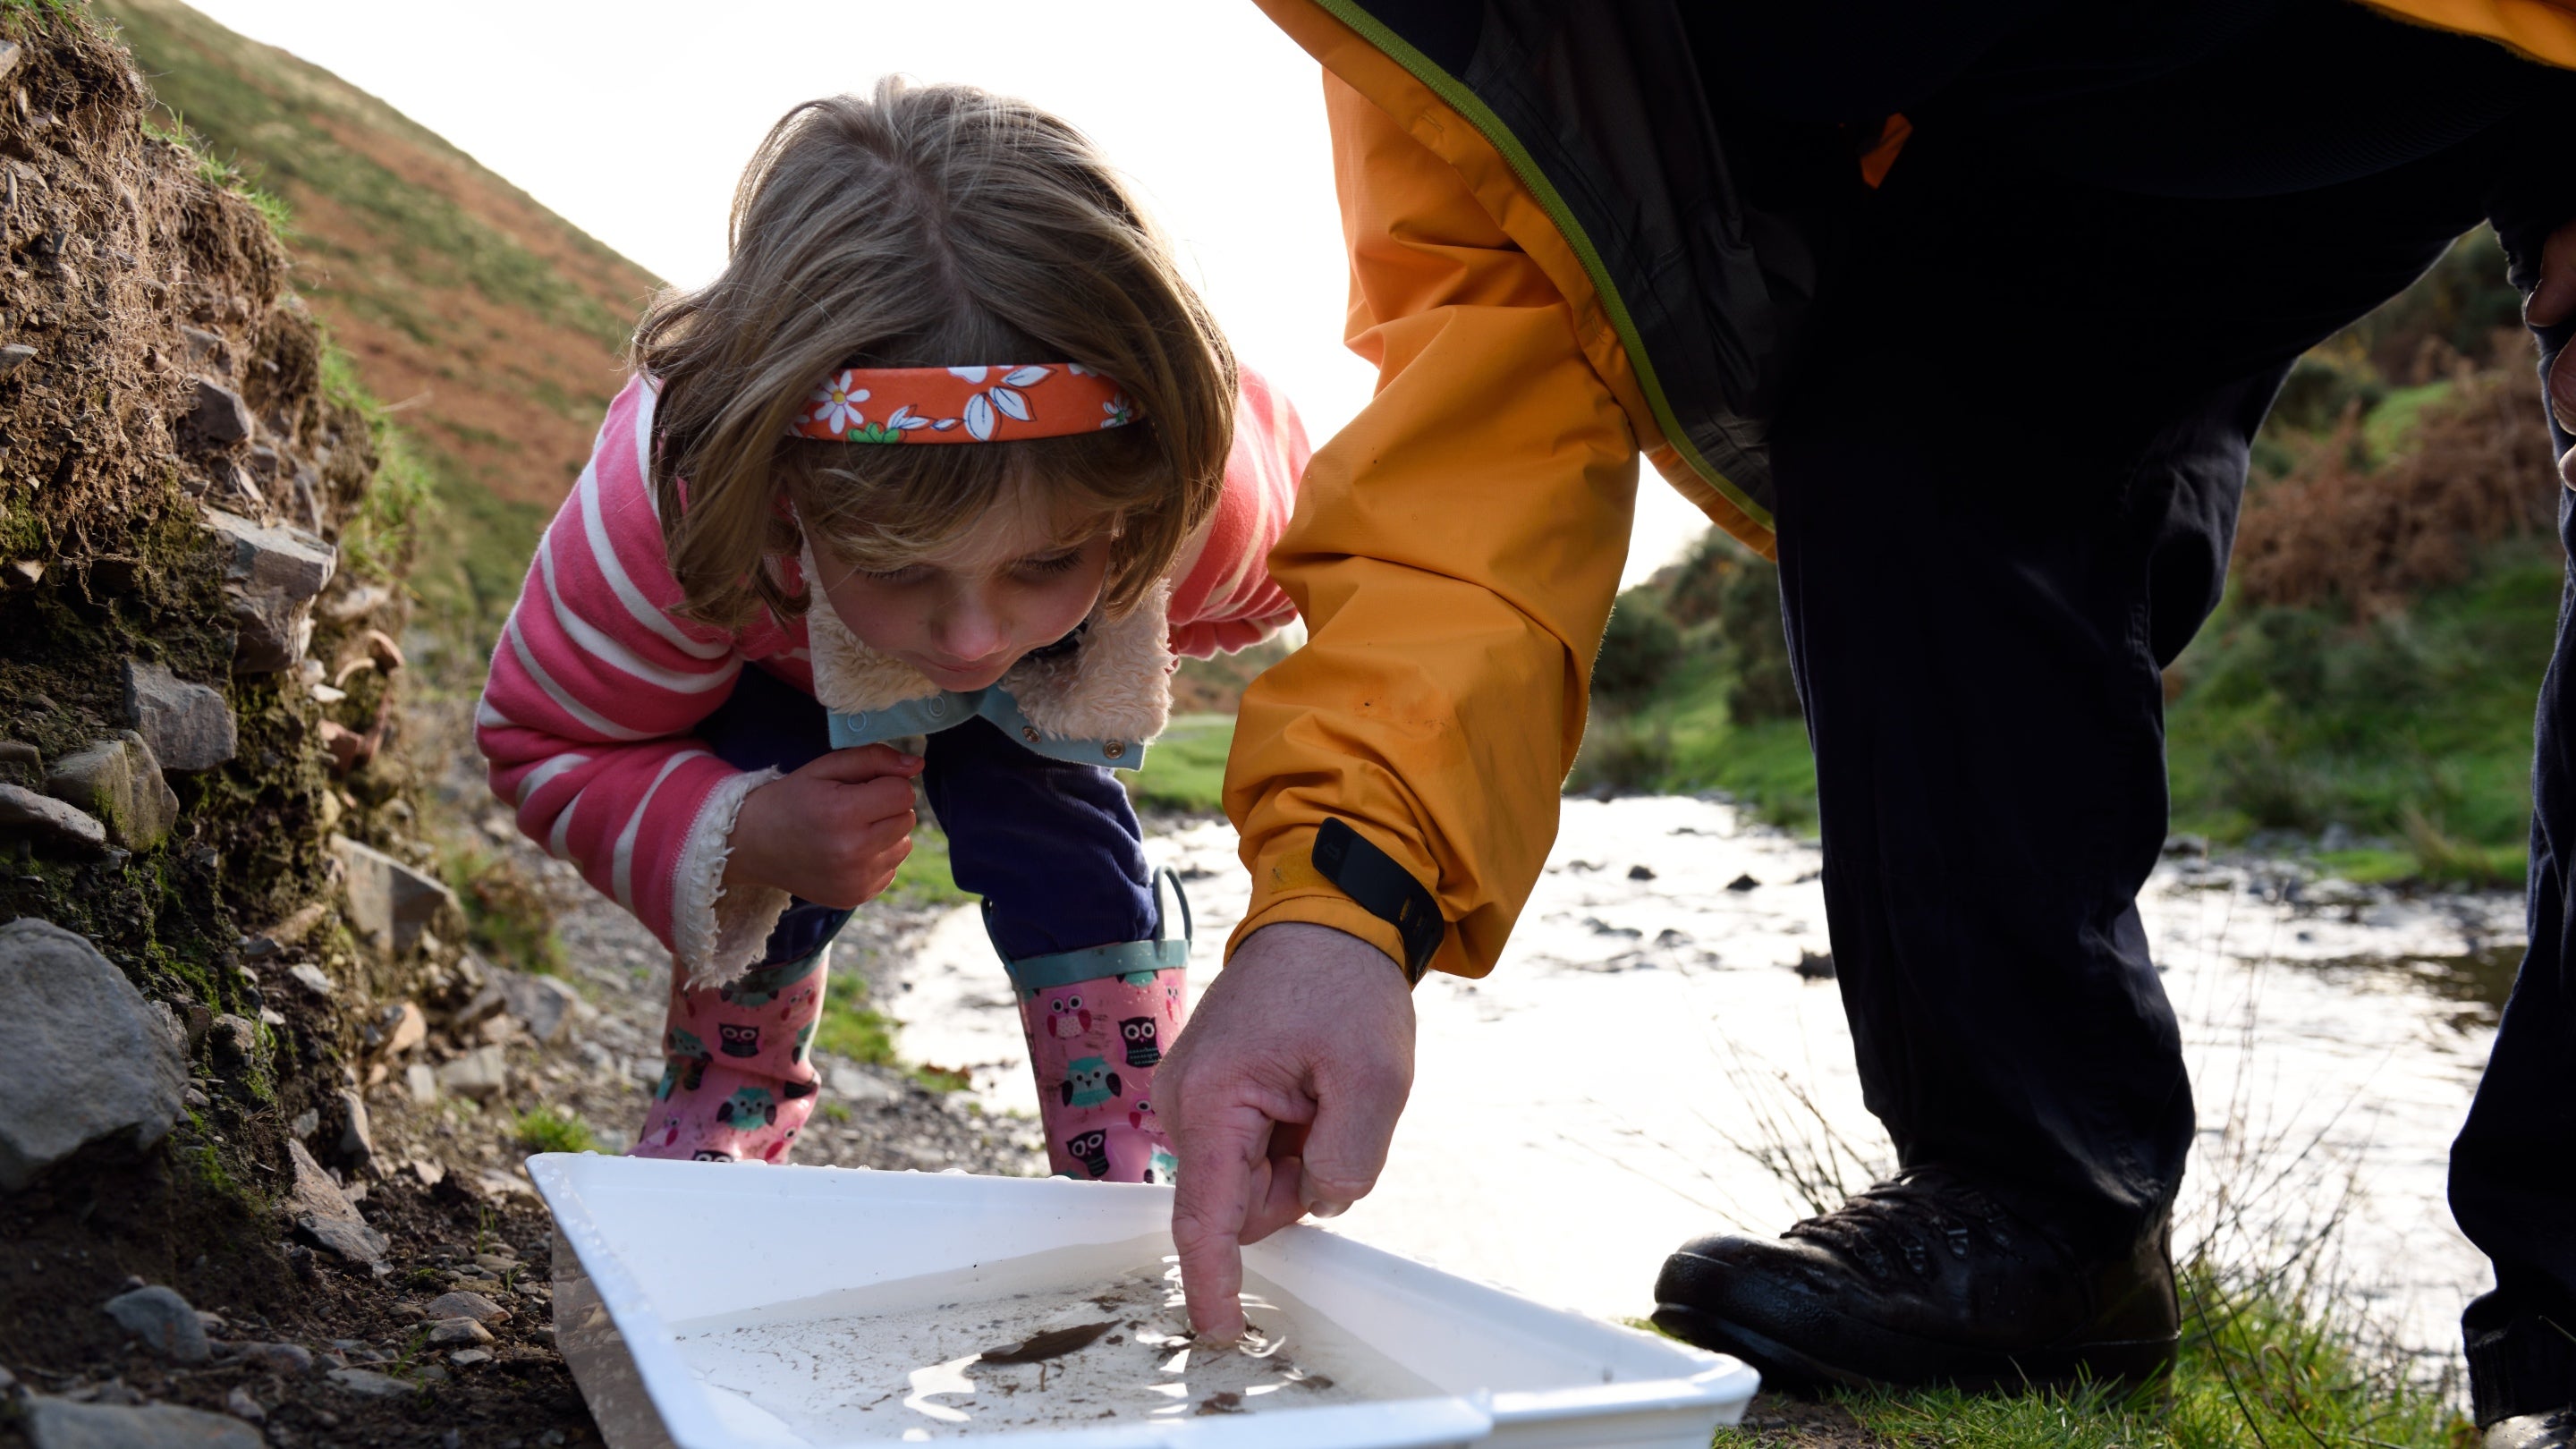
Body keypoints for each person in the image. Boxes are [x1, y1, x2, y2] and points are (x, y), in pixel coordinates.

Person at [1162, 2, 2576, 1441]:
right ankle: (2044, 1213)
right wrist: (1339, 912)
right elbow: (1489, 400)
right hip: (2068, 121)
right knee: (1900, 409)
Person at [475, 80, 1307, 1181]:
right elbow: (546, 741)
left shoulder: (1212, 504)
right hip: (781, 658)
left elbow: (1350, 605)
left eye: (1045, 558)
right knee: (782, 812)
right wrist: (748, 831)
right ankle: (728, 1093)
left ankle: (1131, 1139)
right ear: (783, 495)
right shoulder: (675, 513)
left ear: (1142, 505)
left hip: (1058, 657)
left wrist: (1315, 925)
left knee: (1059, 834)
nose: (969, 639)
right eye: (898, 567)